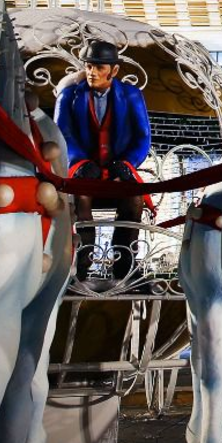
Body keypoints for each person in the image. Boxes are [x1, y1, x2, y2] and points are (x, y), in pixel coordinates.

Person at [55, 41, 152, 282]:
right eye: (88, 66)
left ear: (114, 71)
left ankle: (125, 268)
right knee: (80, 201)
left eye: (99, 67)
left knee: (134, 200)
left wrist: (127, 163)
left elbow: (143, 137)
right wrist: (79, 162)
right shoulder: (69, 96)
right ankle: (81, 267)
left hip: (117, 172)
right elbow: (61, 134)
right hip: (85, 174)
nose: (92, 72)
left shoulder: (131, 96)